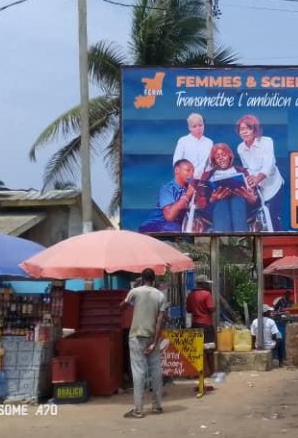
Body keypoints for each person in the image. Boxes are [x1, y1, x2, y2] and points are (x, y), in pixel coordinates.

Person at [120, 268, 169, 419]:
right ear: (154, 279)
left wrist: (128, 301)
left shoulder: (135, 291)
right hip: (152, 336)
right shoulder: (160, 295)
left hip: (136, 336)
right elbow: (160, 320)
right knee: (155, 370)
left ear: (142, 278)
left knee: (138, 372)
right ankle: (157, 406)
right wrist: (155, 341)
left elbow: (122, 306)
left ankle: (139, 410)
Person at [235, 114, 284, 231]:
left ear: (255, 130)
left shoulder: (267, 142)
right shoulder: (240, 148)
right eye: (242, 129)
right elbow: (246, 168)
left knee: (273, 217)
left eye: (248, 128)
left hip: (274, 186)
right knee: (263, 220)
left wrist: (256, 180)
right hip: (260, 189)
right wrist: (250, 181)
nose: (245, 132)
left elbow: (268, 165)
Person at [200, 143, 258, 232]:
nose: (221, 158)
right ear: (214, 160)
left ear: (230, 156)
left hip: (241, 204)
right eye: (217, 157)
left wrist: (251, 198)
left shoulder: (243, 171)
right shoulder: (207, 175)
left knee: (237, 200)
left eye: (224, 155)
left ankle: (240, 237)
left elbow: (254, 198)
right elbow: (201, 200)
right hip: (216, 205)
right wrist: (212, 199)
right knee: (222, 202)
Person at [137, 159, 202, 233]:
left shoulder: (188, 188)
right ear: (177, 170)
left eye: (192, 171)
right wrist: (187, 195)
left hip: (172, 226)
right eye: (188, 170)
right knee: (174, 227)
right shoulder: (167, 188)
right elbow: (169, 216)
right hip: (152, 226)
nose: (191, 174)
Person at [186, 275, 217, 382]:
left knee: (198, 350)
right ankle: (211, 372)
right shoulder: (207, 294)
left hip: (195, 324)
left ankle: (200, 371)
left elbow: (189, 310)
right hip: (206, 324)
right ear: (203, 284)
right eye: (207, 283)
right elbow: (211, 308)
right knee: (209, 349)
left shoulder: (190, 295)